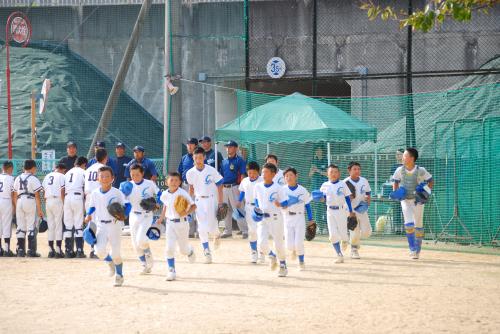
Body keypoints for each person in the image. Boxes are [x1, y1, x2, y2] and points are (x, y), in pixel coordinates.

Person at [84, 166, 130, 287]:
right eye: (102, 176)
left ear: (112, 178)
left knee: (115, 253)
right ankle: (110, 264)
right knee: (99, 251)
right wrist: (88, 214)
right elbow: (92, 206)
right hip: (101, 225)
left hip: (114, 225)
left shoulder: (117, 192)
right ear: (98, 178)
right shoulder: (94, 193)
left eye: (107, 176)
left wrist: (125, 214)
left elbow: (127, 204)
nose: (104, 178)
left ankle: (119, 275)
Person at [391, 148, 433, 260]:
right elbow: (395, 182)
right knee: (409, 224)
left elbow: (430, 180)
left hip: (417, 201)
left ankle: (418, 249)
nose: (402, 158)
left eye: (404, 156)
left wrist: (426, 192)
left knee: (418, 225)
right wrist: (397, 194)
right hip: (405, 200)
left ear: (412, 158)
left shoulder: (421, 170)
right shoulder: (399, 170)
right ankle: (412, 249)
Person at [186, 147, 224, 264]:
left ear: (204, 157)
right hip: (199, 201)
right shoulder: (190, 173)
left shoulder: (211, 170)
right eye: (196, 157)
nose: (198, 160)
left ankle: (217, 235)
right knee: (201, 227)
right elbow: (191, 189)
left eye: (200, 157)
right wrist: (188, 202)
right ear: (193, 157)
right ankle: (206, 251)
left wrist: (220, 203)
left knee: (212, 228)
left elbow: (220, 185)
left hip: (212, 200)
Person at [157, 172, 197, 281]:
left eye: (176, 180)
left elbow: (193, 205)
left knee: (183, 250)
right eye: (171, 180)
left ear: (180, 182)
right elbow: (165, 205)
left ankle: (189, 251)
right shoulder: (164, 193)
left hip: (182, 223)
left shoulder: (183, 193)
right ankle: (171, 270)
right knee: (169, 248)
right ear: (167, 182)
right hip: (170, 223)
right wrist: (161, 218)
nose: (174, 182)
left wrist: (186, 212)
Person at [253, 162, 290, 277]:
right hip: (263, 218)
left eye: (266, 172)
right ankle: (272, 255)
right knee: (261, 244)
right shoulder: (257, 186)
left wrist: (280, 204)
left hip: (275, 218)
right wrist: (256, 210)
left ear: (273, 174)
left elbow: (286, 202)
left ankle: (283, 265)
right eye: (263, 172)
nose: (263, 174)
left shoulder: (278, 188)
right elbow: (256, 201)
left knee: (278, 243)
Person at [123, 163, 160, 274]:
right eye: (132, 174)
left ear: (142, 173)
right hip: (133, 215)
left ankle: (148, 252)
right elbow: (122, 199)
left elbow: (159, 193)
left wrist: (157, 203)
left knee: (141, 240)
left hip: (146, 215)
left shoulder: (149, 183)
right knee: (135, 244)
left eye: (137, 174)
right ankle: (145, 265)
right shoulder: (128, 185)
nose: (134, 176)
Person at [317, 164, 355, 264]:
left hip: (341, 211)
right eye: (331, 172)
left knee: (343, 234)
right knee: (333, 234)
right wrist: (319, 198)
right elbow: (322, 198)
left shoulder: (342, 184)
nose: (333, 174)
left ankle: (345, 240)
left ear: (339, 173)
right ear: (327, 174)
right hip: (330, 211)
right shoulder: (325, 185)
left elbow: (347, 198)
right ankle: (339, 254)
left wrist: (351, 211)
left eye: (335, 172)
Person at [282, 167, 313, 271]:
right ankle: (294, 250)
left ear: (296, 176)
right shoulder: (282, 190)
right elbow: (278, 205)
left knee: (299, 243)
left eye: (291, 175)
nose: (289, 177)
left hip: (299, 217)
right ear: (284, 178)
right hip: (286, 218)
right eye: (286, 176)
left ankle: (301, 261)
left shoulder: (302, 190)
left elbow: (308, 205)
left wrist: (310, 218)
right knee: (289, 246)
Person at [13, 159, 44, 257]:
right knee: (31, 226)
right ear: (33, 168)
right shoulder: (33, 178)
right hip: (30, 200)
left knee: (21, 226)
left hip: (19, 200)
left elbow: (14, 194)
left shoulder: (18, 178)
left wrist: (16, 206)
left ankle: (21, 250)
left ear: (24, 168)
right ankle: (31, 251)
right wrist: (39, 210)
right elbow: (37, 196)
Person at [344, 161, 372, 259]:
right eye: (354, 169)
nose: (357, 171)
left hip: (362, 209)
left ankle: (355, 240)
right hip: (351, 211)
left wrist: (368, 199)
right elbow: (341, 198)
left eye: (358, 169)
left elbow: (368, 193)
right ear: (349, 171)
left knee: (367, 233)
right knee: (354, 232)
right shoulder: (345, 183)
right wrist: (347, 199)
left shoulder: (364, 180)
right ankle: (354, 249)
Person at [220, 140, 247, 239]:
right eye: (227, 147)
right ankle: (228, 231)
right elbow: (221, 175)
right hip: (224, 187)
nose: (228, 149)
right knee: (226, 210)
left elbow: (243, 174)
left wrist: (242, 189)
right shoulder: (223, 161)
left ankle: (245, 230)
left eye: (230, 147)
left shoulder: (239, 160)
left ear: (235, 148)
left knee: (238, 208)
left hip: (235, 186)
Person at [85, 148, 109, 259]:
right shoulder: (104, 169)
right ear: (105, 158)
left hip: (88, 197)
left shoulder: (89, 169)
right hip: (98, 197)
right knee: (99, 224)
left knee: (92, 224)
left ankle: (92, 249)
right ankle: (95, 250)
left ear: (95, 157)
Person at [237, 161, 263, 263]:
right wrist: (239, 201)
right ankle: (254, 252)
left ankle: (262, 252)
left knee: (260, 230)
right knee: (252, 231)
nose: (251, 175)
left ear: (258, 172)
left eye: (254, 173)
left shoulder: (262, 180)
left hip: (260, 208)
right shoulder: (245, 181)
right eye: (249, 173)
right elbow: (242, 191)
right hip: (248, 207)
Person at [63, 156, 88, 258]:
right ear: (83, 165)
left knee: (68, 225)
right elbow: (86, 186)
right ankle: (79, 251)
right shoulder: (83, 172)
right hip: (77, 197)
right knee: (78, 225)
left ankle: (68, 251)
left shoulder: (68, 173)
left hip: (67, 198)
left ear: (75, 164)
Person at [42, 163, 66, 258]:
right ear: (62, 169)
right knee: (58, 225)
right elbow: (62, 191)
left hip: (48, 200)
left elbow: (43, 191)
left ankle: (50, 250)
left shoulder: (47, 176)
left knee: (51, 226)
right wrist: (64, 203)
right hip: (58, 200)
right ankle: (58, 250)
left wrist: (46, 202)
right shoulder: (61, 176)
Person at [178, 138, 198, 237]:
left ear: (196, 145)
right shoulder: (184, 158)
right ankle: (190, 231)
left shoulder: (199, 157)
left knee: (197, 207)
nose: (189, 146)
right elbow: (180, 172)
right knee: (188, 208)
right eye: (188, 144)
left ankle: (199, 231)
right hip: (186, 185)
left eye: (192, 144)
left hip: (197, 186)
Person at [0, 161, 16, 257]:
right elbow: (12, 194)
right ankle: (6, 249)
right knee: (6, 225)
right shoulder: (11, 178)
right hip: (6, 201)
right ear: (10, 168)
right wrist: (14, 206)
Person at [309, 146, 328, 225]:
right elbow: (309, 175)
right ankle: (320, 226)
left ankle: (326, 226)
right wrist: (313, 171)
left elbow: (328, 174)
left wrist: (318, 170)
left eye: (319, 150)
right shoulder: (314, 161)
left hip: (325, 187)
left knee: (325, 206)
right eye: (317, 150)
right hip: (316, 187)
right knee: (317, 207)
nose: (318, 152)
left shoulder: (326, 160)